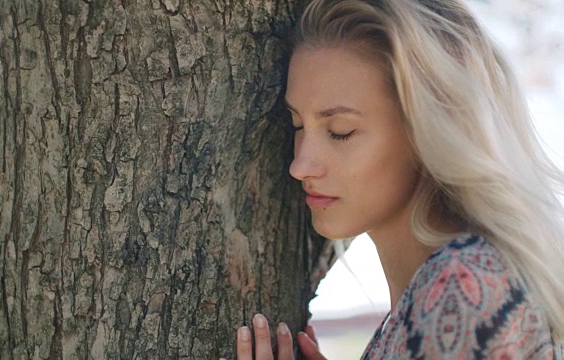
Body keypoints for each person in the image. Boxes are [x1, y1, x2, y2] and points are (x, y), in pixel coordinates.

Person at [235, 0, 564, 358]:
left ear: (430, 131)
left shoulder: (462, 285)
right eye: (298, 125)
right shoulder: (431, 292)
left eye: (341, 131)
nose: (300, 166)